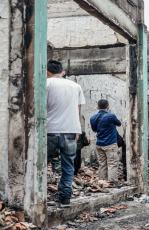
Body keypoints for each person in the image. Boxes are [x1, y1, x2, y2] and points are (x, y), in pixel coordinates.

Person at [46, 60, 86, 207]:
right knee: (68, 165)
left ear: (47, 71)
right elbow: (78, 111)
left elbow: (40, 108)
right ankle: (65, 198)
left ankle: (39, 197)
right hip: (70, 130)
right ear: (61, 71)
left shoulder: (46, 84)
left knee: (42, 164)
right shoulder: (76, 86)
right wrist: (78, 130)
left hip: (50, 130)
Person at [90, 99, 122, 184]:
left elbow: (94, 129)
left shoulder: (93, 118)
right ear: (108, 106)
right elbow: (119, 123)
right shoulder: (111, 116)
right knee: (112, 164)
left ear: (97, 106)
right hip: (110, 144)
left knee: (102, 164)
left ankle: (102, 182)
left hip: (99, 144)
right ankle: (112, 183)